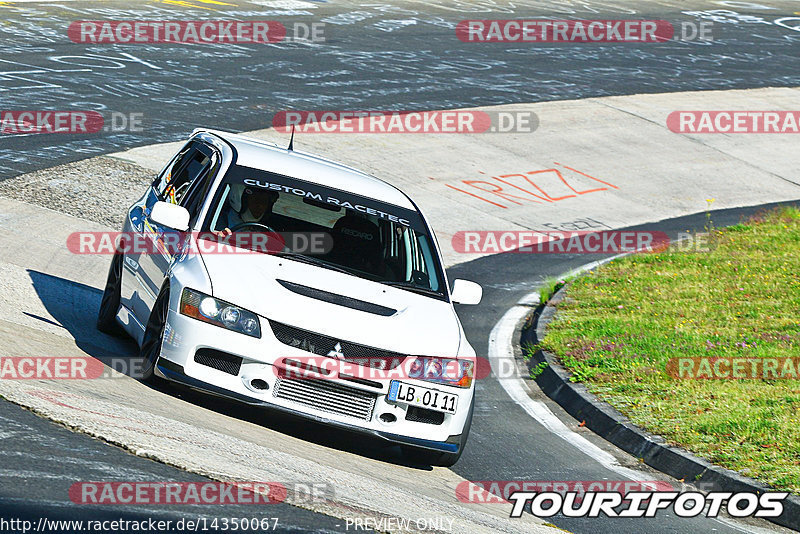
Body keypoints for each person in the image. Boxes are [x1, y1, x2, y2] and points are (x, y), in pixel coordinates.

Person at [214, 186, 279, 238]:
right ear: (244, 200)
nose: (260, 206)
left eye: (264, 202)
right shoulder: (218, 222)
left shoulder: (267, 231)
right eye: (256, 200)